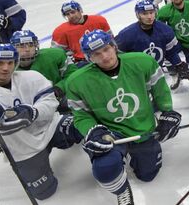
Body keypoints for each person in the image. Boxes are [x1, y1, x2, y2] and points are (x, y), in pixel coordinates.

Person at [66, 30, 181, 205]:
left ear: (114, 46)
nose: (104, 57)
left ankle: (133, 155)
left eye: (106, 49)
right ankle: (122, 189)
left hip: (142, 128)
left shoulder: (142, 62)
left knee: (148, 175)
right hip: (111, 133)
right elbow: (81, 115)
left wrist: (167, 112)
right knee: (105, 168)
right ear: (89, 58)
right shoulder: (76, 81)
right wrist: (94, 132)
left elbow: (160, 89)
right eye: (96, 54)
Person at [0, 44, 82, 200]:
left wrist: (32, 112)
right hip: (22, 148)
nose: (6, 68)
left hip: (51, 126)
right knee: (44, 193)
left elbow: (50, 102)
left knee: (84, 127)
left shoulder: (31, 76)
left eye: (10, 62)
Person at [115, 0, 189, 85]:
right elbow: (119, 58)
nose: (149, 17)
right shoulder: (126, 35)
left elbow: (171, 52)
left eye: (151, 13)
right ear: (137, 15)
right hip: (136, 76)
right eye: (144, 14)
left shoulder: (166, 30)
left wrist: (178, 64)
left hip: (157, 74)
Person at [11, 30, 77, 110]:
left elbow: (74, 75)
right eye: (21, 46)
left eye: (31, 45)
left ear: (36, 46)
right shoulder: (7, 68)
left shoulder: (55, 55)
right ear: (13, 48)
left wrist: (60, 88)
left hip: (61, 99)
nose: (27, 49)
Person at [51, 0, 112, 65]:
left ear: (80, 10)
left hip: (104, 55)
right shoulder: (60, 31)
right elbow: (56, 53)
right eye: (67, 14)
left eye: (73, 12)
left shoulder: (99, 20)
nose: (71, 16)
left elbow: (111, 40)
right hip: (81, 62)